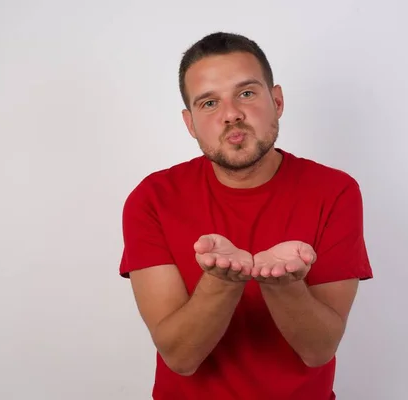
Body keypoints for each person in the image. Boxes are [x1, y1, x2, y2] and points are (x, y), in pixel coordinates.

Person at [119, 31, 373, 400]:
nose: (232, 114)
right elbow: (180, 356)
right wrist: (223, 280)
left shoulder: (335, 191)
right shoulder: (152, 199)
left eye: (247, 93)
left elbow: (318, 350)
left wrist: (282, 283)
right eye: (209, 103)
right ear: (190, 123)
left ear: (277, 100)